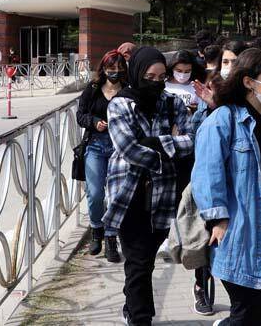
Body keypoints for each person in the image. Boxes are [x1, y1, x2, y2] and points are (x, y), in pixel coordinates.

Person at [192, 49, 261, 325]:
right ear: (248, 81)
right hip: (242, 232)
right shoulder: (223, 120)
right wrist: (218, 219)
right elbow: (207, 173)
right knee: (246, 310)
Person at [104, 46, 195, 326]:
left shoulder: (172, 102)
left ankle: (132, 305)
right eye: (149, 77)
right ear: (136, 73)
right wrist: (168, 151)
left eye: (160, 77)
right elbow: (128, 149)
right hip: (128, 191)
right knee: (138, 259)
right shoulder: (120, 104)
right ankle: (140, 317)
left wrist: (156, 143)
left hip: (164, 194)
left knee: (145, 259)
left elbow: (193, 139)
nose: (155, 83)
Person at [161, 49, 213, 315]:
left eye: (187, 70)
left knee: (204, 221)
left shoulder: (205, 90)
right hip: (177, 158)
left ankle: (204, 283)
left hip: (203, 160)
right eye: (178, 70)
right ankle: (199, 280)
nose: (182, 75)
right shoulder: (162, 91)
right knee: (185, 214)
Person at [76, 50, 127, 262]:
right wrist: (94, 122)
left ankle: (111, 238)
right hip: (95, 145)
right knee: (95, 193)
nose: (115, 72)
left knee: (116, 196)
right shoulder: (93, 89)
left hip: (120, 147)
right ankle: (97, 230)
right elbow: (80, 115)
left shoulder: (128, 90)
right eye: (111, 68)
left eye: (119, 68)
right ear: (103, 69)